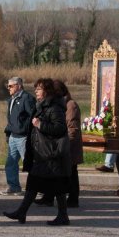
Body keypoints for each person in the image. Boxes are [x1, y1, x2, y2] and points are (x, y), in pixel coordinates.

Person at [3, 78, 71, 226]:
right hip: (42, 153)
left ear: (47, 91)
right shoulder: (43, 106)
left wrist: (41, 124)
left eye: (39, 89)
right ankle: (22, 212)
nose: (36, 91)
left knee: (56, 186)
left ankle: (63, 216)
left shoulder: (54, 108)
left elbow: (60, 129)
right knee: (34, 183)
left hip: (51, 154)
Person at [35, 79, 82, 208]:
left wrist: (66, 143)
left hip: (68, 145)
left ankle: (73, 199)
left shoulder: (70, 105)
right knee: (55, 173)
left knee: (71, 172)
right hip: (58, 143)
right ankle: (49, 197)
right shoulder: (56, 104)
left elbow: (72, 128)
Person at [1, 76, 36, 195]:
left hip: (23, 137)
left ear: (19, 86)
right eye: (7, 86)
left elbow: (33, 116)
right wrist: (8, 132)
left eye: (10, 86)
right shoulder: (12, 99)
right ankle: (14, 186)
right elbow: (11, 119)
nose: (8, 88)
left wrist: (26, 131)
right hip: (13, 136)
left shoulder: (27, 98)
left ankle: (37, 188)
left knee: (29, 163)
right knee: (10, 163)